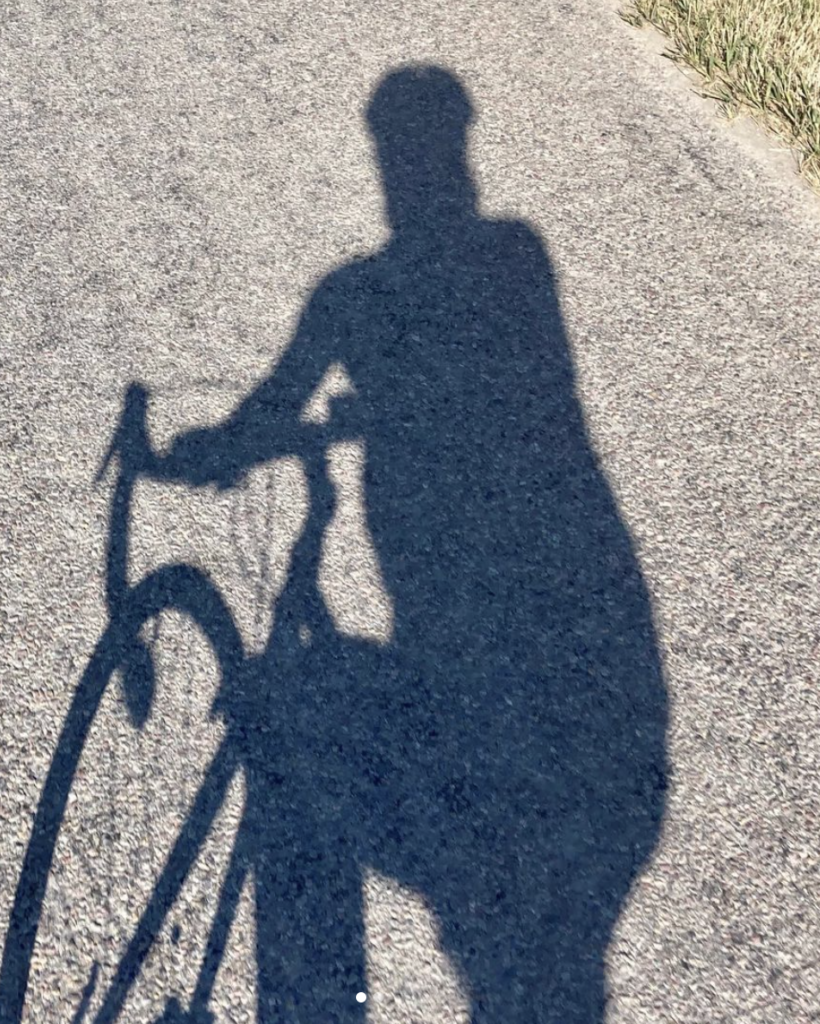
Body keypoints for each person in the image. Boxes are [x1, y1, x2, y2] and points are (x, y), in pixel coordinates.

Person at [142, 65, 668, 1024]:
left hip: (471, 653)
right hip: (612, 657)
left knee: (298, 745)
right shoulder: (520, 256)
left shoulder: (353, 294)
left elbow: (266, 414)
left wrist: (199, 456)